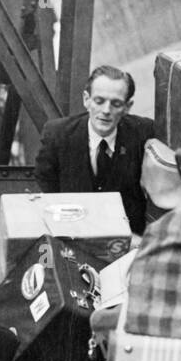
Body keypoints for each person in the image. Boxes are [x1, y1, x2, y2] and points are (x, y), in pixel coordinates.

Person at [34, 65, 155, 235]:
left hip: (129, 243)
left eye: (116, 104)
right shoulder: (57, 135)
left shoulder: (145, 133)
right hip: (73, 239)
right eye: (99, 101)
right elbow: (46, 187)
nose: (106, 111)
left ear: (128, 107)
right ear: (86, 99)